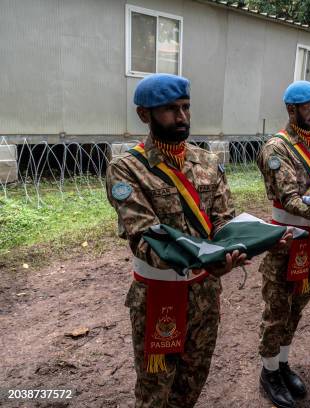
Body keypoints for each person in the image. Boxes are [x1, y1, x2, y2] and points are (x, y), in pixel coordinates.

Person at [106, 74, 256, 407]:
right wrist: (206, 258)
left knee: (191, 384)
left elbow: (223, 220)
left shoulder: (206, 161)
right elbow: (146, 237)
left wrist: (240, 244)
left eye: (186, 107)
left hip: (204, 292)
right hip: (160, 295)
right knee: (154, 392)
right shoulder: (127, 169)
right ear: (144, 114)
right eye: (171, 110)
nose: (182, 117)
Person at [256, 80, 310, 408]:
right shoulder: (275, 148)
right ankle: (268, 372)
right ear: (292, 110)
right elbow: (289, 198)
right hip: (286, 242)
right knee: (277, 309)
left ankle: (282, 362)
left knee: (297, 308)